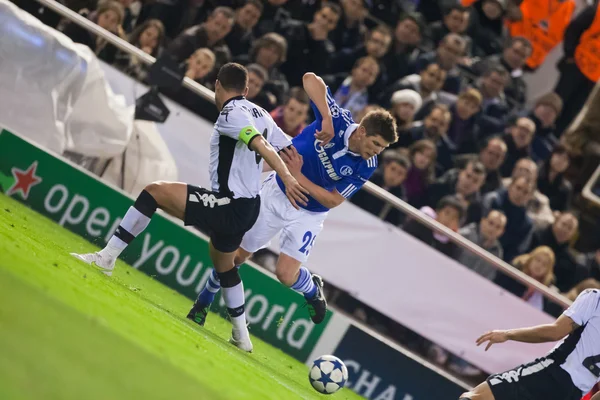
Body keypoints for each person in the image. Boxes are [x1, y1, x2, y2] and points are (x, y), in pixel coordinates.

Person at [70, 63, 308, 352]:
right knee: (224, 265)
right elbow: (291, 148)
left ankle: (106, 258)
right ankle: (241, 335)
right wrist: (298, 163)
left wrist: (286, 177)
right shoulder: (261, 114)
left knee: (153, 192)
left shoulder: (232, 113)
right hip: (248, 208)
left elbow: (262, 146)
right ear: (246, 90)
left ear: (217, 84)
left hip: (229, 204)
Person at [188, 72, 398, 327]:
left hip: (310, 213)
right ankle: (203, 301)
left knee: (285, 275)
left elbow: (332, 200)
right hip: (277, 193)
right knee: (235, 256)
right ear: (362, 132)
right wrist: (327, 118)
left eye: (381, 149)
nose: (376, 152)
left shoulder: (367, 164)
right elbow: (309, 79)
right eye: (375, 144)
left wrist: (296, 175)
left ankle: (311, 290)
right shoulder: (339, 121)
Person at [459, 288, 600, 400]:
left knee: (475, 397)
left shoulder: (595, 298)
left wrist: (508, 334)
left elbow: (555, 332)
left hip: (553, 373)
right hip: (573, 394)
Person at [351, 150, 410, 226]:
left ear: (404, 178)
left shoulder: (400, 197)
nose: (394, 175)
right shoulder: (368, 179)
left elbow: (396, 222)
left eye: (400, 173)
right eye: (393, 169)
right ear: (385, 166)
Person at [457, 209, 506, 280]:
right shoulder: (465, 234)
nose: (493, 229)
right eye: (491, 223)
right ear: (483, 221)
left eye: (498, 227)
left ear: (502, 231)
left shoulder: (497, 252)